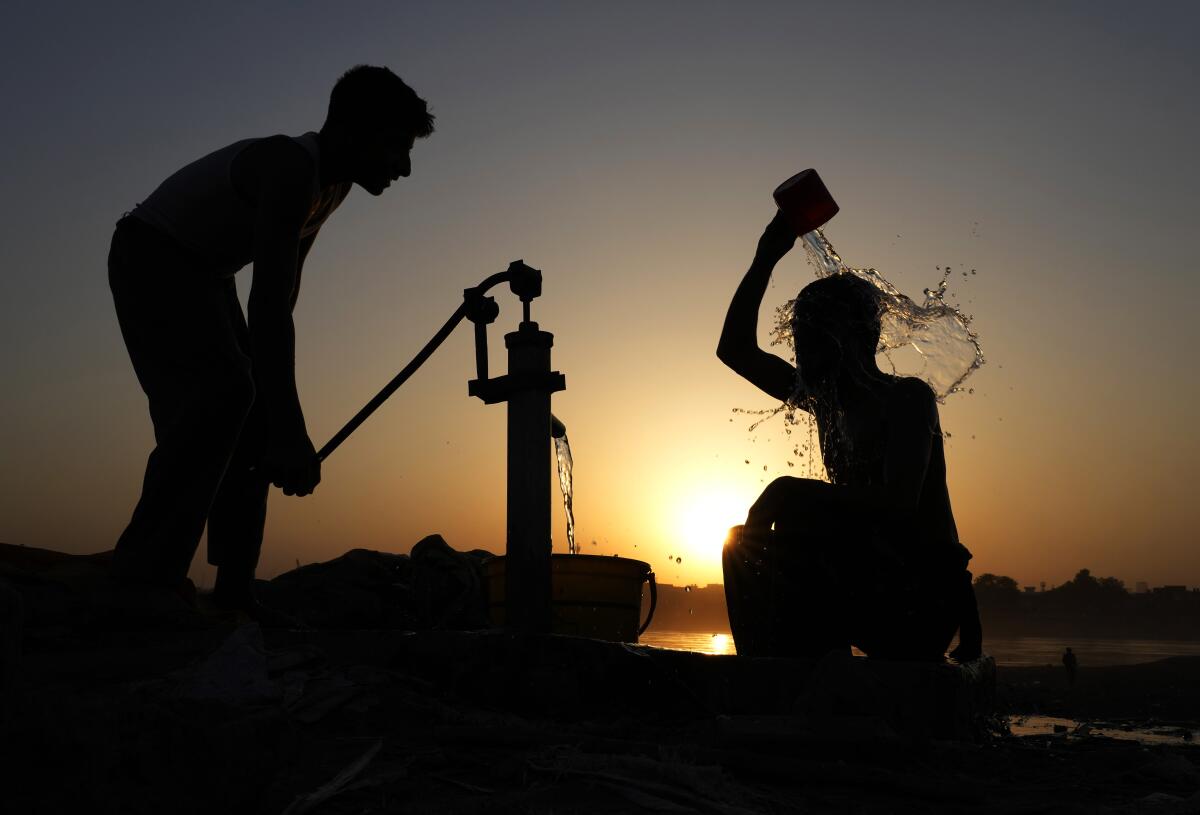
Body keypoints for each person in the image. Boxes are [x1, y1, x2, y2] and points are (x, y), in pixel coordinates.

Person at [107, 65, 434, 624]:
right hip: (153, 255)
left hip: (205, 273)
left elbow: (280, 304)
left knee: (245, 408)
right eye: (396, 147)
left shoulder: (332, 186)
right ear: (356, 131)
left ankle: (234, 587)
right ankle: (145, 575)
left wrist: (277, 427)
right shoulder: (290, 168)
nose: (404, 167)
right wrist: (291, 431)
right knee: (221, 398)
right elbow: (265, 309)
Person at [716, 211, 982, 661]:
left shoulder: (907, 400)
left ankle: (819, 677)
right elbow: (735, 350)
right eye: (797, 334)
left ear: (854, 338)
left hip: (921, 602)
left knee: (806, 514)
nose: (799, 347)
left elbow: (898, 505)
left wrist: (788, 490)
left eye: (812, 334)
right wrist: (765, 258)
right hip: (864, 582)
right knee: (741, 545)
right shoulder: (824, 401)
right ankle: (772, 674)